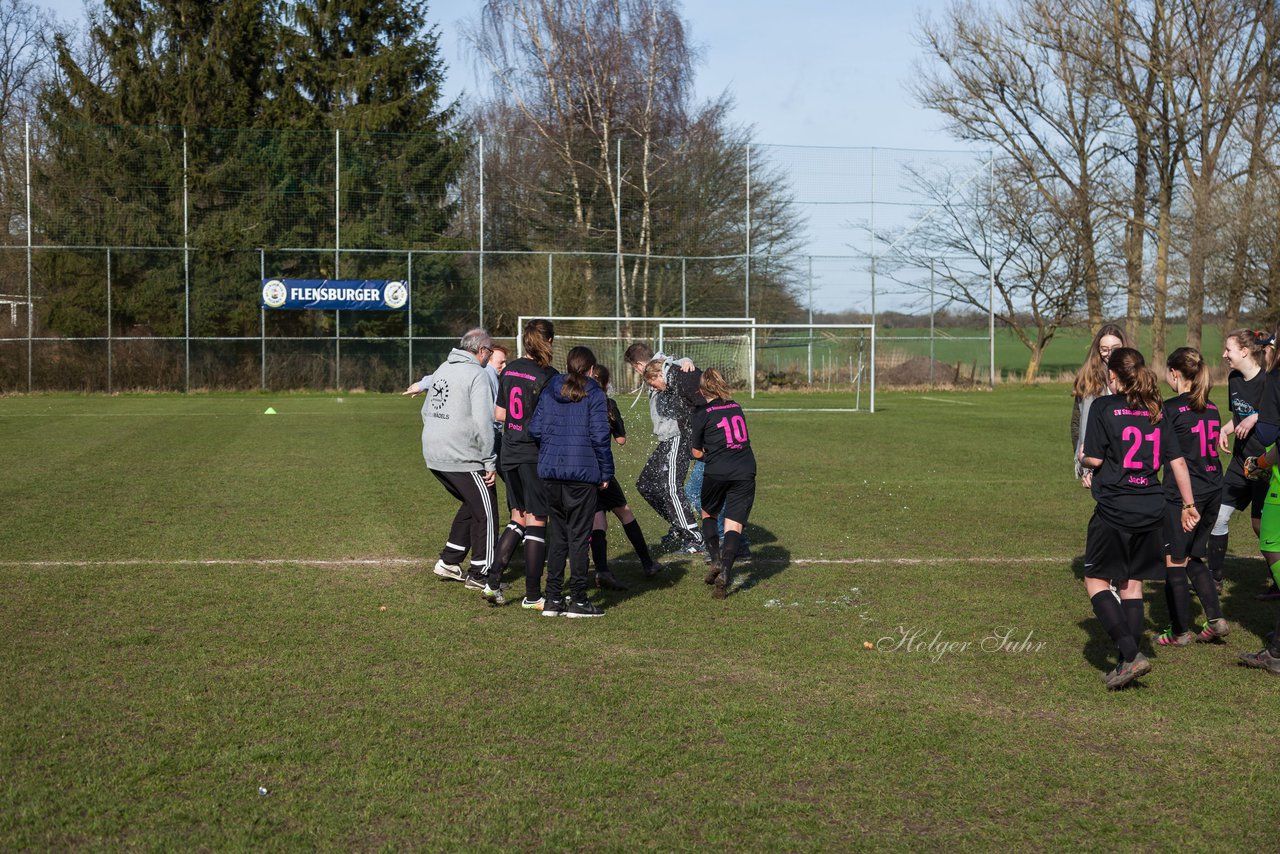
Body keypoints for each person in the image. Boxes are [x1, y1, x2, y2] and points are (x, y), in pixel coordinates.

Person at [1078, 347, 1198, 689]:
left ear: (1113, 377)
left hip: (1115, 508)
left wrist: (1086, 462)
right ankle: (1125, 664)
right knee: (1132, 583)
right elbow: (1176, 462)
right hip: (1152, 508)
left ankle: (1130, 654)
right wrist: (1188, 505)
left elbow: (1095, 459)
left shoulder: (1103, 406)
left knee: (1096, 581)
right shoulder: (1156, 410)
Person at [413, 328, 503, 605]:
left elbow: (426, 411)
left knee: (472, 503)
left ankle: (450, 561)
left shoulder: (443, 368)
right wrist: (489, 460)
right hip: (462, 456)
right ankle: (481, 573)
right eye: (489, 350)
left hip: (433, 453)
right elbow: (483, 422)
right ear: (482, 351)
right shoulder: (476, 374)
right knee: (487, 508)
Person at [528, 346, 613, 618]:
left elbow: (536, 429)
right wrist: (605, 473)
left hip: (552, 472)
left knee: (559, 537)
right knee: (578, 538)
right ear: (591, 369)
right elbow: (600, 437)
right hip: (582, 474)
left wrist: (554, 450)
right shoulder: (595, 394)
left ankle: (553, 598)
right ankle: (577, 599)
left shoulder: (551, 388)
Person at [1154, 348, 1229, 647]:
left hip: (1186, 496)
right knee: (1194, 557)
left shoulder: (1170, 408)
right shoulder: (1211, 408)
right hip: (1214, 489)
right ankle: (1216, 620)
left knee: (1174, 560)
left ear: (1174, 373)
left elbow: (1161, 451)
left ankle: (1179, 631)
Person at [494, 320, 558, 610]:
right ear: (550, 341)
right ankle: (533, 596)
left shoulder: (509, 369)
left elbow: (499, 413)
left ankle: (491, 580)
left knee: (518, 516)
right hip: (533, 455)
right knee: (537, 520)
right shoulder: (548, 375)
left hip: (508, 452)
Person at [588, 363, 664, 588]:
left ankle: (601, 570)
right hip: (603, 470)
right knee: (625, 513)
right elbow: (621, 439)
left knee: (597, 518)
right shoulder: (608, 403)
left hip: (582, 469)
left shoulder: (578, 401)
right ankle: (647, 563)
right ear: (606, 383)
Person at [624, 342, 703, 553]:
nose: (637, 372)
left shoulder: (664, 365)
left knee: (671, 487)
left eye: (634, 368)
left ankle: (694, 537)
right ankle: (680, 524)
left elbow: (678, 365)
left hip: (677, 436)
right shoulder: (653, 370)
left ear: (639, 364)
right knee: (646, 484)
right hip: (665, 438)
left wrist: (687, 361)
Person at [1210, 329, 1270, 593]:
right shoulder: (1234, 378)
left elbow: (1270, 416)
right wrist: (1225, 429)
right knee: (1218, 517)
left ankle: (1276, 581)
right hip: (1239, 460)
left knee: (1261, 527)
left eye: (1228, 350)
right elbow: (1238, 417)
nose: (1224, 355)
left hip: (1266, 462)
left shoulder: (1269, 380)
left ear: (1244, 351)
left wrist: (1256, 417)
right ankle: (1214, 579)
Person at [691, 368, 757, 600]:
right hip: (746, 468)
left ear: (701, 391)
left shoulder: (701, 413)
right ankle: (727, 570)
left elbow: (696, 452)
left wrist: (710, 454)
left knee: (708, 511)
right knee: (734, 524)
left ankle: (716, 559)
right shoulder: (736, 406)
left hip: (718, 470)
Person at [1072, 324, 1127, 487]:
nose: (1110, 354)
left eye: (1115, 348)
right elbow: (1077, 423)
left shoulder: (1138, 380)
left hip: (1129, 459)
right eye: (1104, 349)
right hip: (1098, 460)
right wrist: (1085, 464)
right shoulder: (1088, 379)